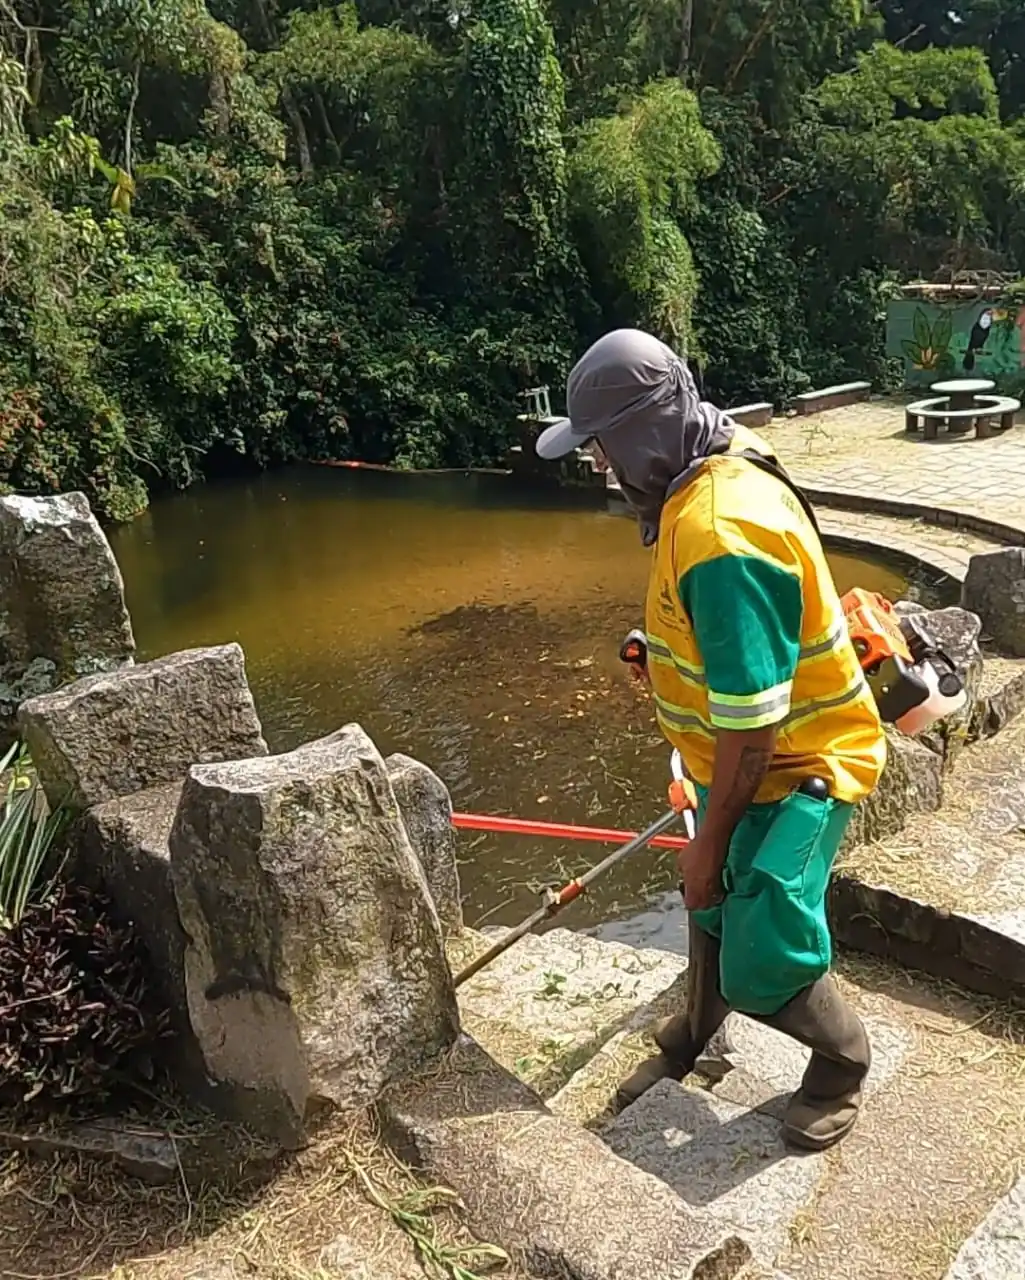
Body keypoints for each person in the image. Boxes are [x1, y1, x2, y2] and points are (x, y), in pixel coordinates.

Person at [535, 328, 886, 1151]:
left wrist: (710, 840)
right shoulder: (704, 458)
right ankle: (687, 1040)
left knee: (759, 932)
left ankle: (842, 1061)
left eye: (600, 447)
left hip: (802, 765)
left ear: (646, 431)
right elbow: (727, 637)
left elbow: (758, 726)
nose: (598, 467)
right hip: (736, 763)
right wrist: (657, 652)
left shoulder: (723, 533)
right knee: (706, 910)